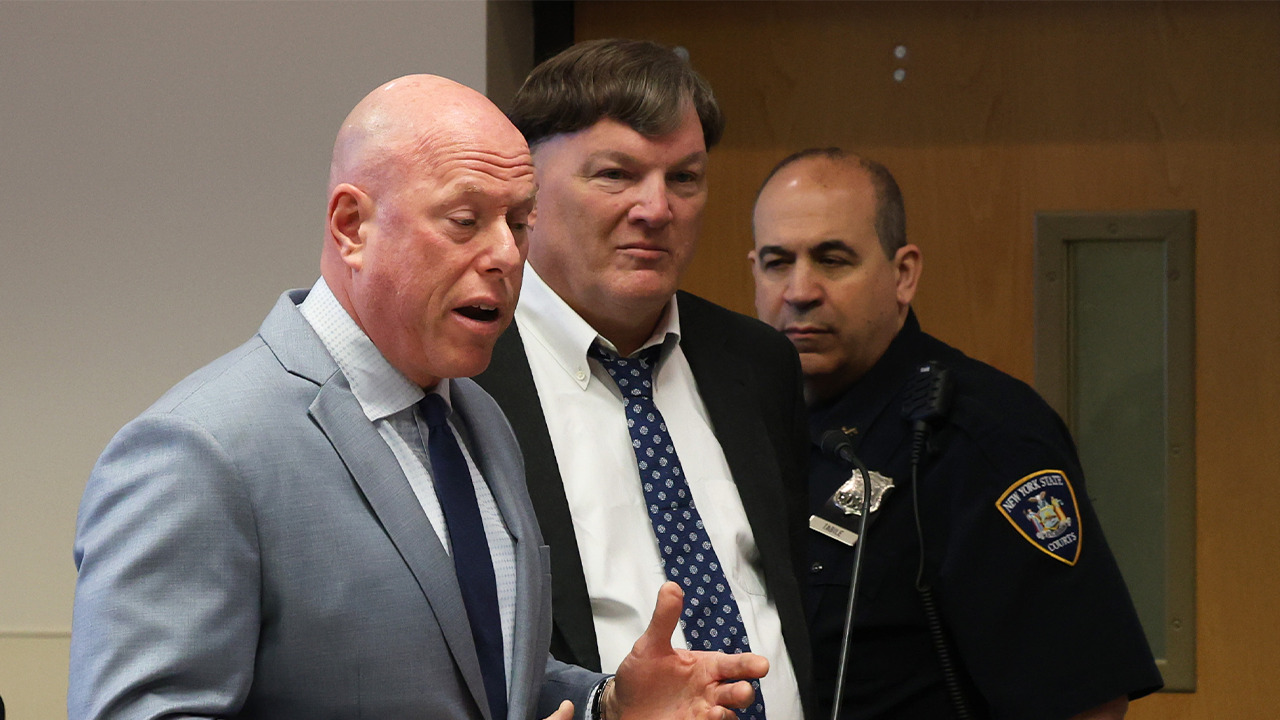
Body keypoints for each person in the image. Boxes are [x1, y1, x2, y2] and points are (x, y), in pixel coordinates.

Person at [69, 74, 769, 720]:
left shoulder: (476, 418)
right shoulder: (198, 451)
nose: (507, 255)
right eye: (465, 220)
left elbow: (483, 675)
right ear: (352, 226)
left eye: (518, 222)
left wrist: (605, 705)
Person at [748, 148, 1163, 720]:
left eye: (833, 260)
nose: (799, 290)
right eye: (777, 263)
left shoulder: (983, 435)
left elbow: (1084, 703)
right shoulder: (744, 424)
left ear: (903, 274)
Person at [474, 39, 810, 719]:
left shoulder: (757, 363)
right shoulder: (465, 373)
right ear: (527, 191)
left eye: (684, 178)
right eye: (616, 175)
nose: (657, 209)